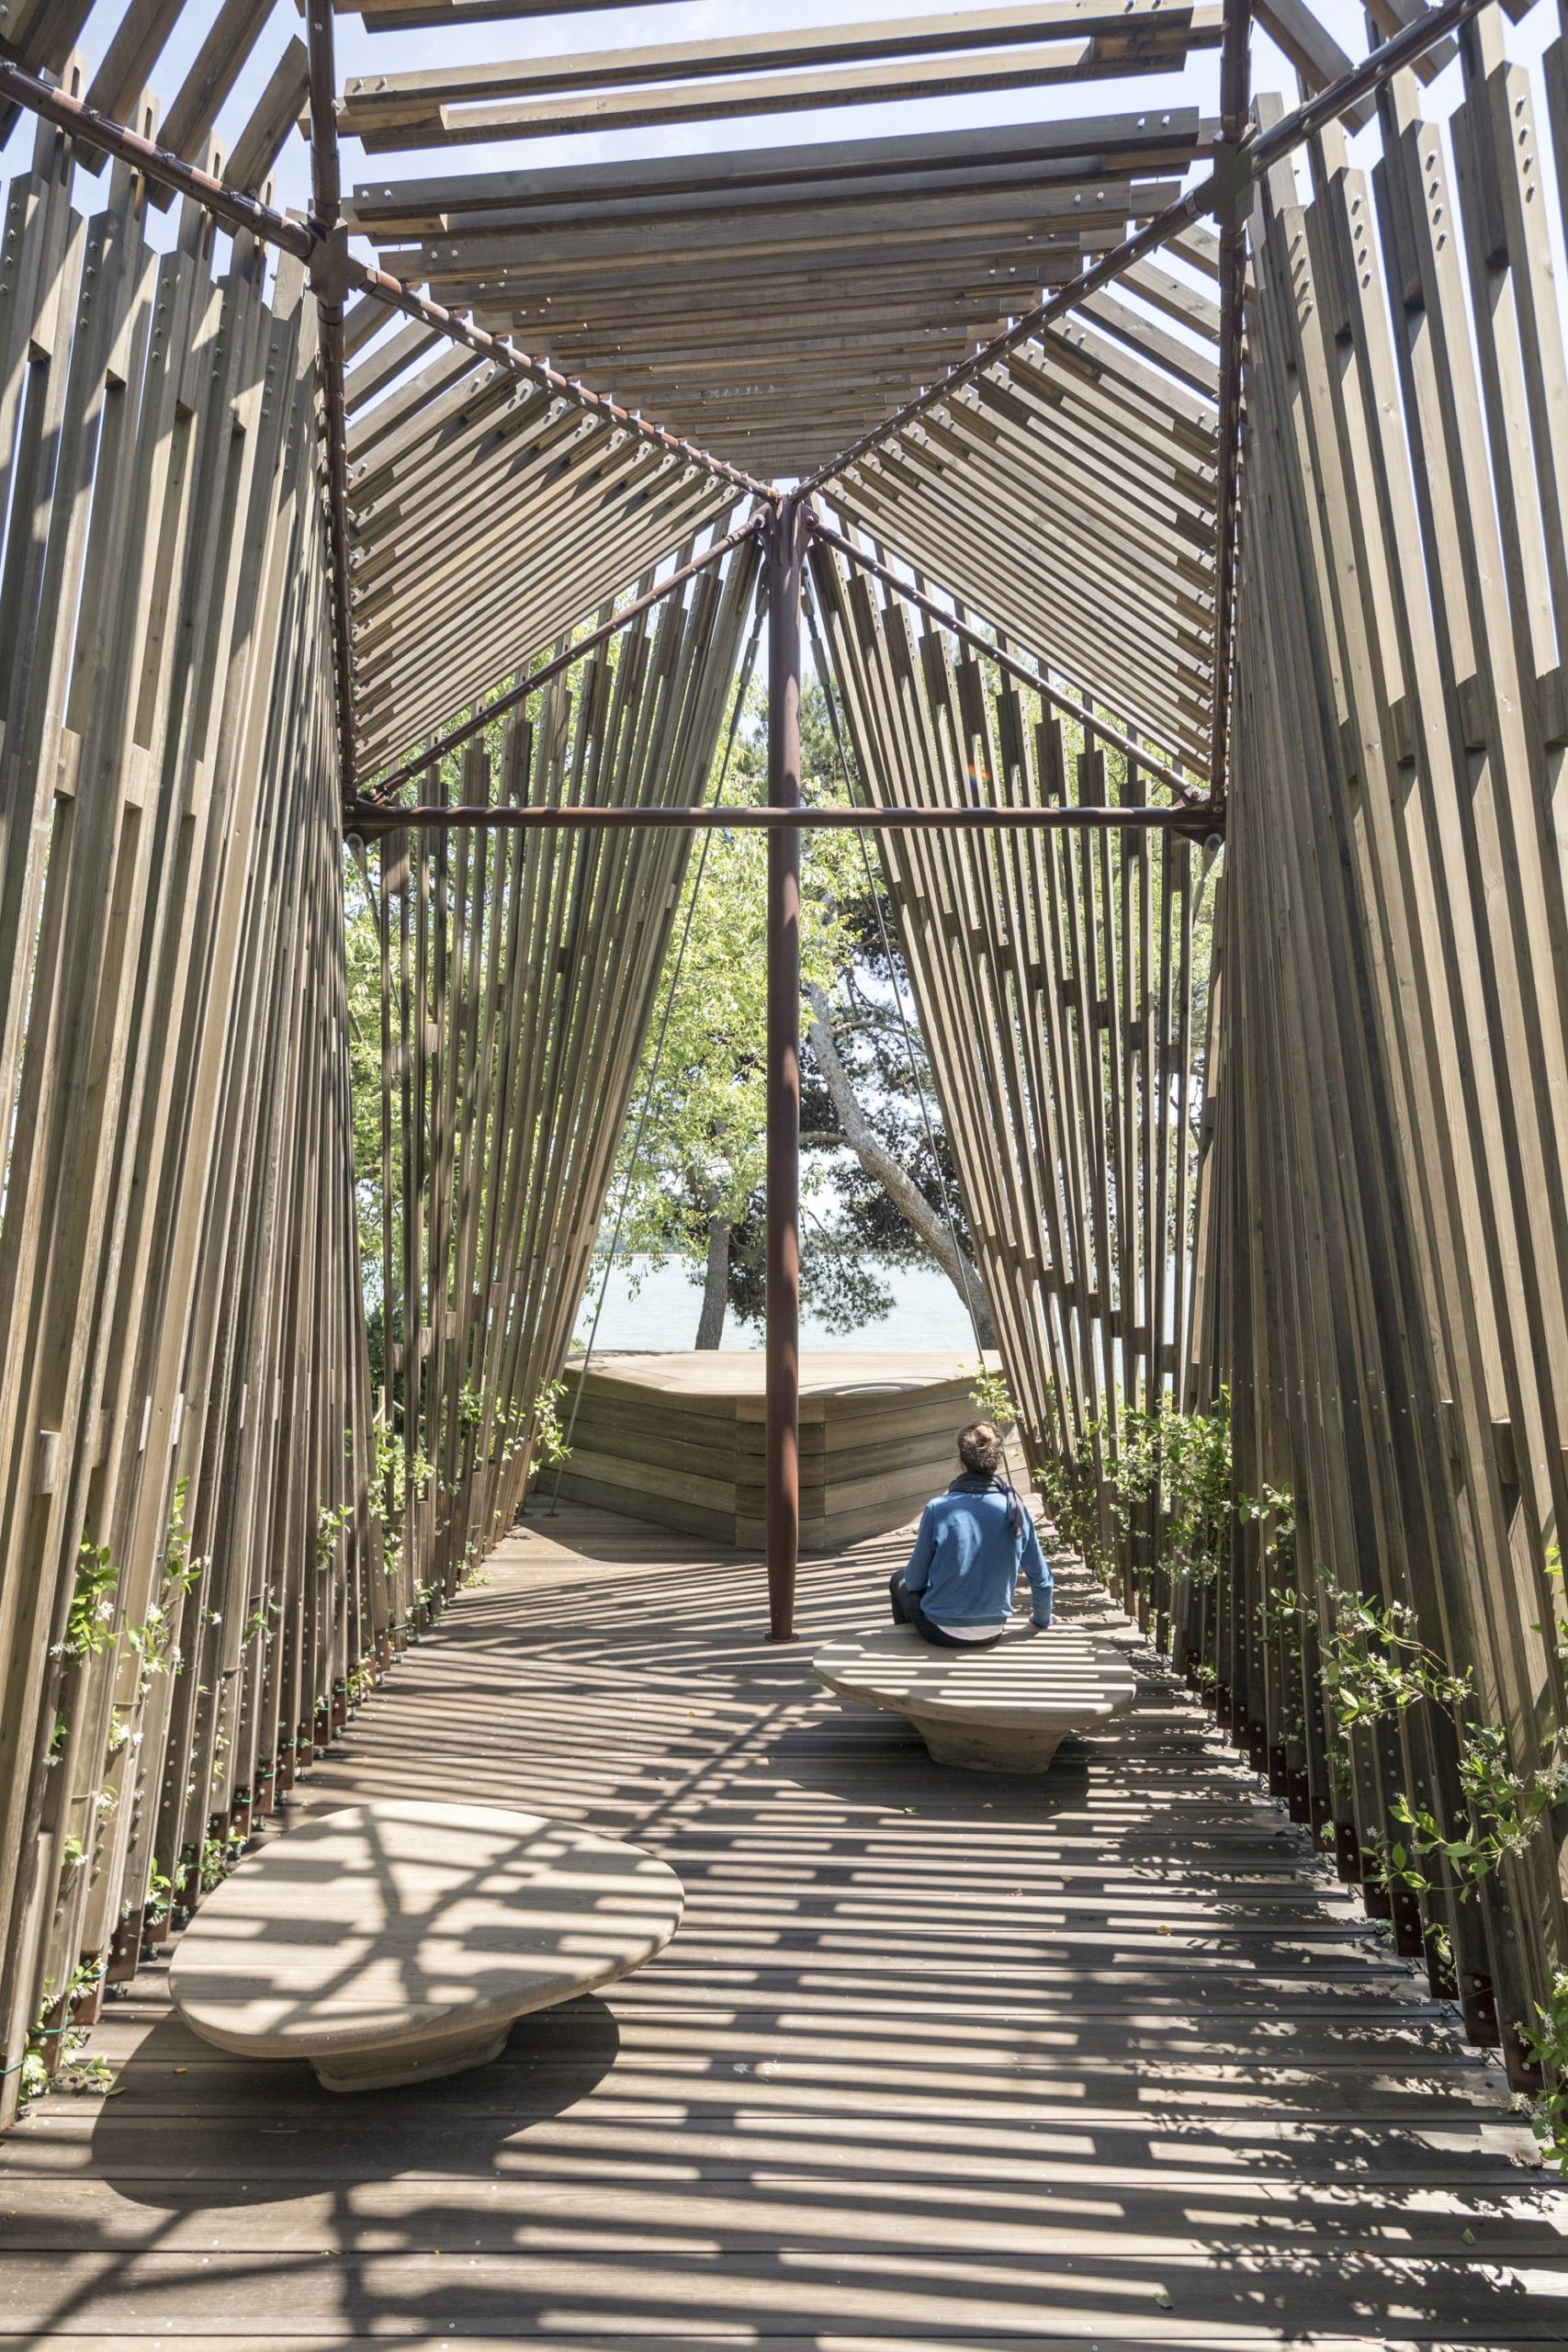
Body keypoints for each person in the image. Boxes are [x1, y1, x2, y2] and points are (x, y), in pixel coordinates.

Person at [889, 1420, 1052, 1646]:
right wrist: (1042, 1620)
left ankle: (908, 1649)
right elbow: (1042, 1580)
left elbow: (915, 1581)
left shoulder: (938, 1508)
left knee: (898, 1579)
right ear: (998, 1461)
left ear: (962, 1461)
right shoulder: (1015, 1508)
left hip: (939, 1630)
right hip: (993, 1630)